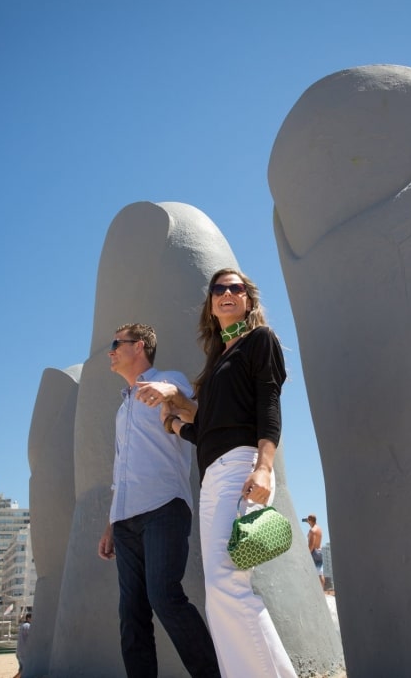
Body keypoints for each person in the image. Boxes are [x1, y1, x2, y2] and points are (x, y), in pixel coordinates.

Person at [138, 268, 296, 678]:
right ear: (211, 304)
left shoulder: (260, 341)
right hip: (214, 476)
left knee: (229, 586)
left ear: (248, 299)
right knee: (220, 592)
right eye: (218, 289)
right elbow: (210, 430)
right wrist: (176, 424)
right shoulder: (217, 362)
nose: (227, 293)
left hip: (244, 466)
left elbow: (269, 408)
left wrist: (264, 467)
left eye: (236, 288)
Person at [97, 323, 221, 678]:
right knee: (131, 614)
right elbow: (119, 470)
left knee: (165, 596)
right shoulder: (122, 412)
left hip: (164, 509)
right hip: (125, 521)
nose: (111, 351)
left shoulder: (170, 378)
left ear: (139, 347)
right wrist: (110, 523)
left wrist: (167, 390)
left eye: (116, 343)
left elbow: (193, 411)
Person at [303, 514, 325, 590]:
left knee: (310, 573)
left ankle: (312, 590)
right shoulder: (319, 529)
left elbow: (311, 545)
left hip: (314, 552)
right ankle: (322, 591)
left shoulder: (312, 531)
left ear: (310, 521)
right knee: (320, 573)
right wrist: (307, 520)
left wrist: (307, 555)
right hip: (319, 551)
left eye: (308, 520)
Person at [12, 613, 31, 678]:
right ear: (29, 618)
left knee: (22, 670)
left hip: (19, 652)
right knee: (25, 670)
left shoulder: (22, 625)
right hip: (24, 652)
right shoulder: (28, 626)